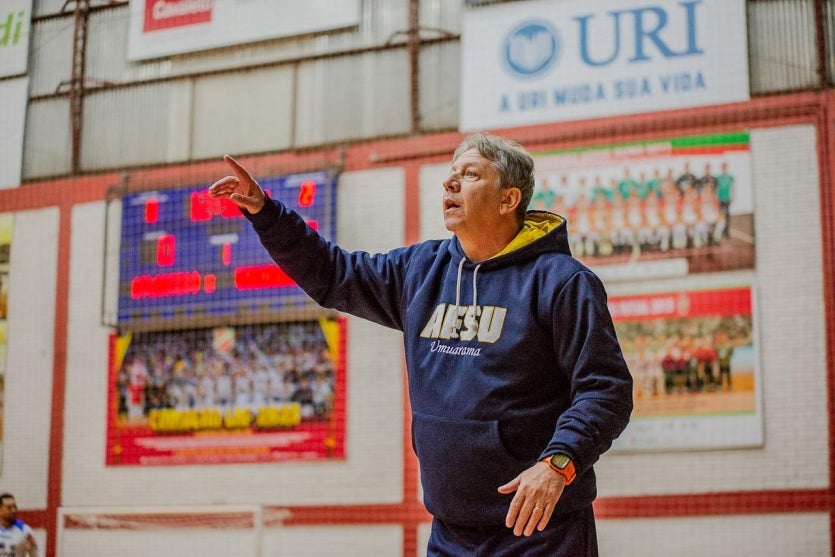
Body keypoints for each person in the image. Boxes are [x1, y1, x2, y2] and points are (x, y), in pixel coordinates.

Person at [209, 132, 633, 556]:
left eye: (469, 174)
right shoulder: (421, 270)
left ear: (508, 200)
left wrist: (559, 463)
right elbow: (333, 274)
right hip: (450, 531)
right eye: (450, 175)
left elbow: (606, 389)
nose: (450, 184)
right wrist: (266, 213)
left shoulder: (562, 282)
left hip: (541, 531)